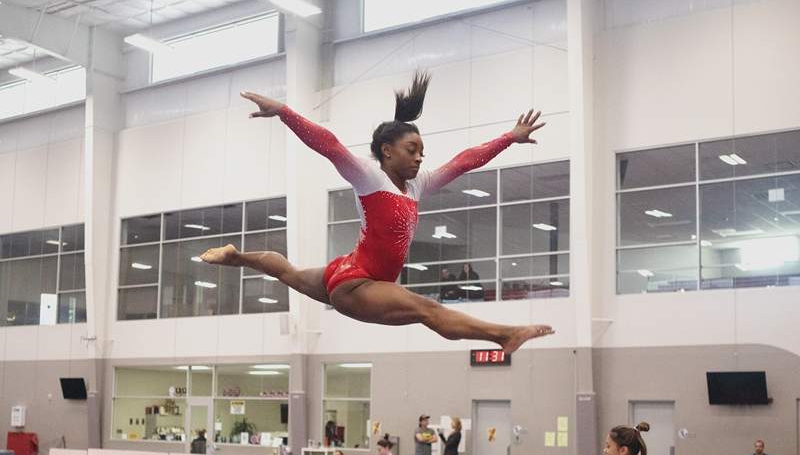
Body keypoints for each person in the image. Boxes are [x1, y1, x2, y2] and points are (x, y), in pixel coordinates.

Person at [201, 71, 554, 353]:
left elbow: (463, 161)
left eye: (422, 152)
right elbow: (329, 144)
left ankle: (237, 257)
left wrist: (510, 138)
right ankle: (504, 336)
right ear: (387, 151)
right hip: (358, 284)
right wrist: (284, 112)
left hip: (348, 270)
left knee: (290, 274)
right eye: (411, 150)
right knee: (428, 310)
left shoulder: (417, 184)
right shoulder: (369, 177)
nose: (419, 158)